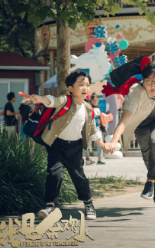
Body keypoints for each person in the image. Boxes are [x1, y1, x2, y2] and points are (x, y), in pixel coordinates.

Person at [29, 71, 103, 220]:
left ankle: (88, 203)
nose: (85, 88)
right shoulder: (65, 100)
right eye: (81, 84)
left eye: (87, 85)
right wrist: (40, 99)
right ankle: (50, 206)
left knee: (79, 177)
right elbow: (52, 101)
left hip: (75, 148)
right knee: (54, 174)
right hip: (57, 146)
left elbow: (92, 129)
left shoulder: (88, 108)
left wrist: (102, 144)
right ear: (70, 88)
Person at [104, 62, 155, 204]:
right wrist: (114, 141)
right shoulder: (135, 92)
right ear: (143, 80)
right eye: (148, 81)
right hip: (141, 121)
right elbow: (124, 121)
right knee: (146, 153)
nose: (152, 86)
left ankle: (152, 182)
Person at [86, 93, 106, 165]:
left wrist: (103, 125)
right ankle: (87, 159)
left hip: (97, 128)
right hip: (90, 128)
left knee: (100, 143)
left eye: (96, 101)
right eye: (94, 101)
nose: (95, 102)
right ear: (91, 100)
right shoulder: (88, 108)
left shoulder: (98, 108)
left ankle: (100, 158)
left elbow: (101, 118)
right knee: (88, 144)